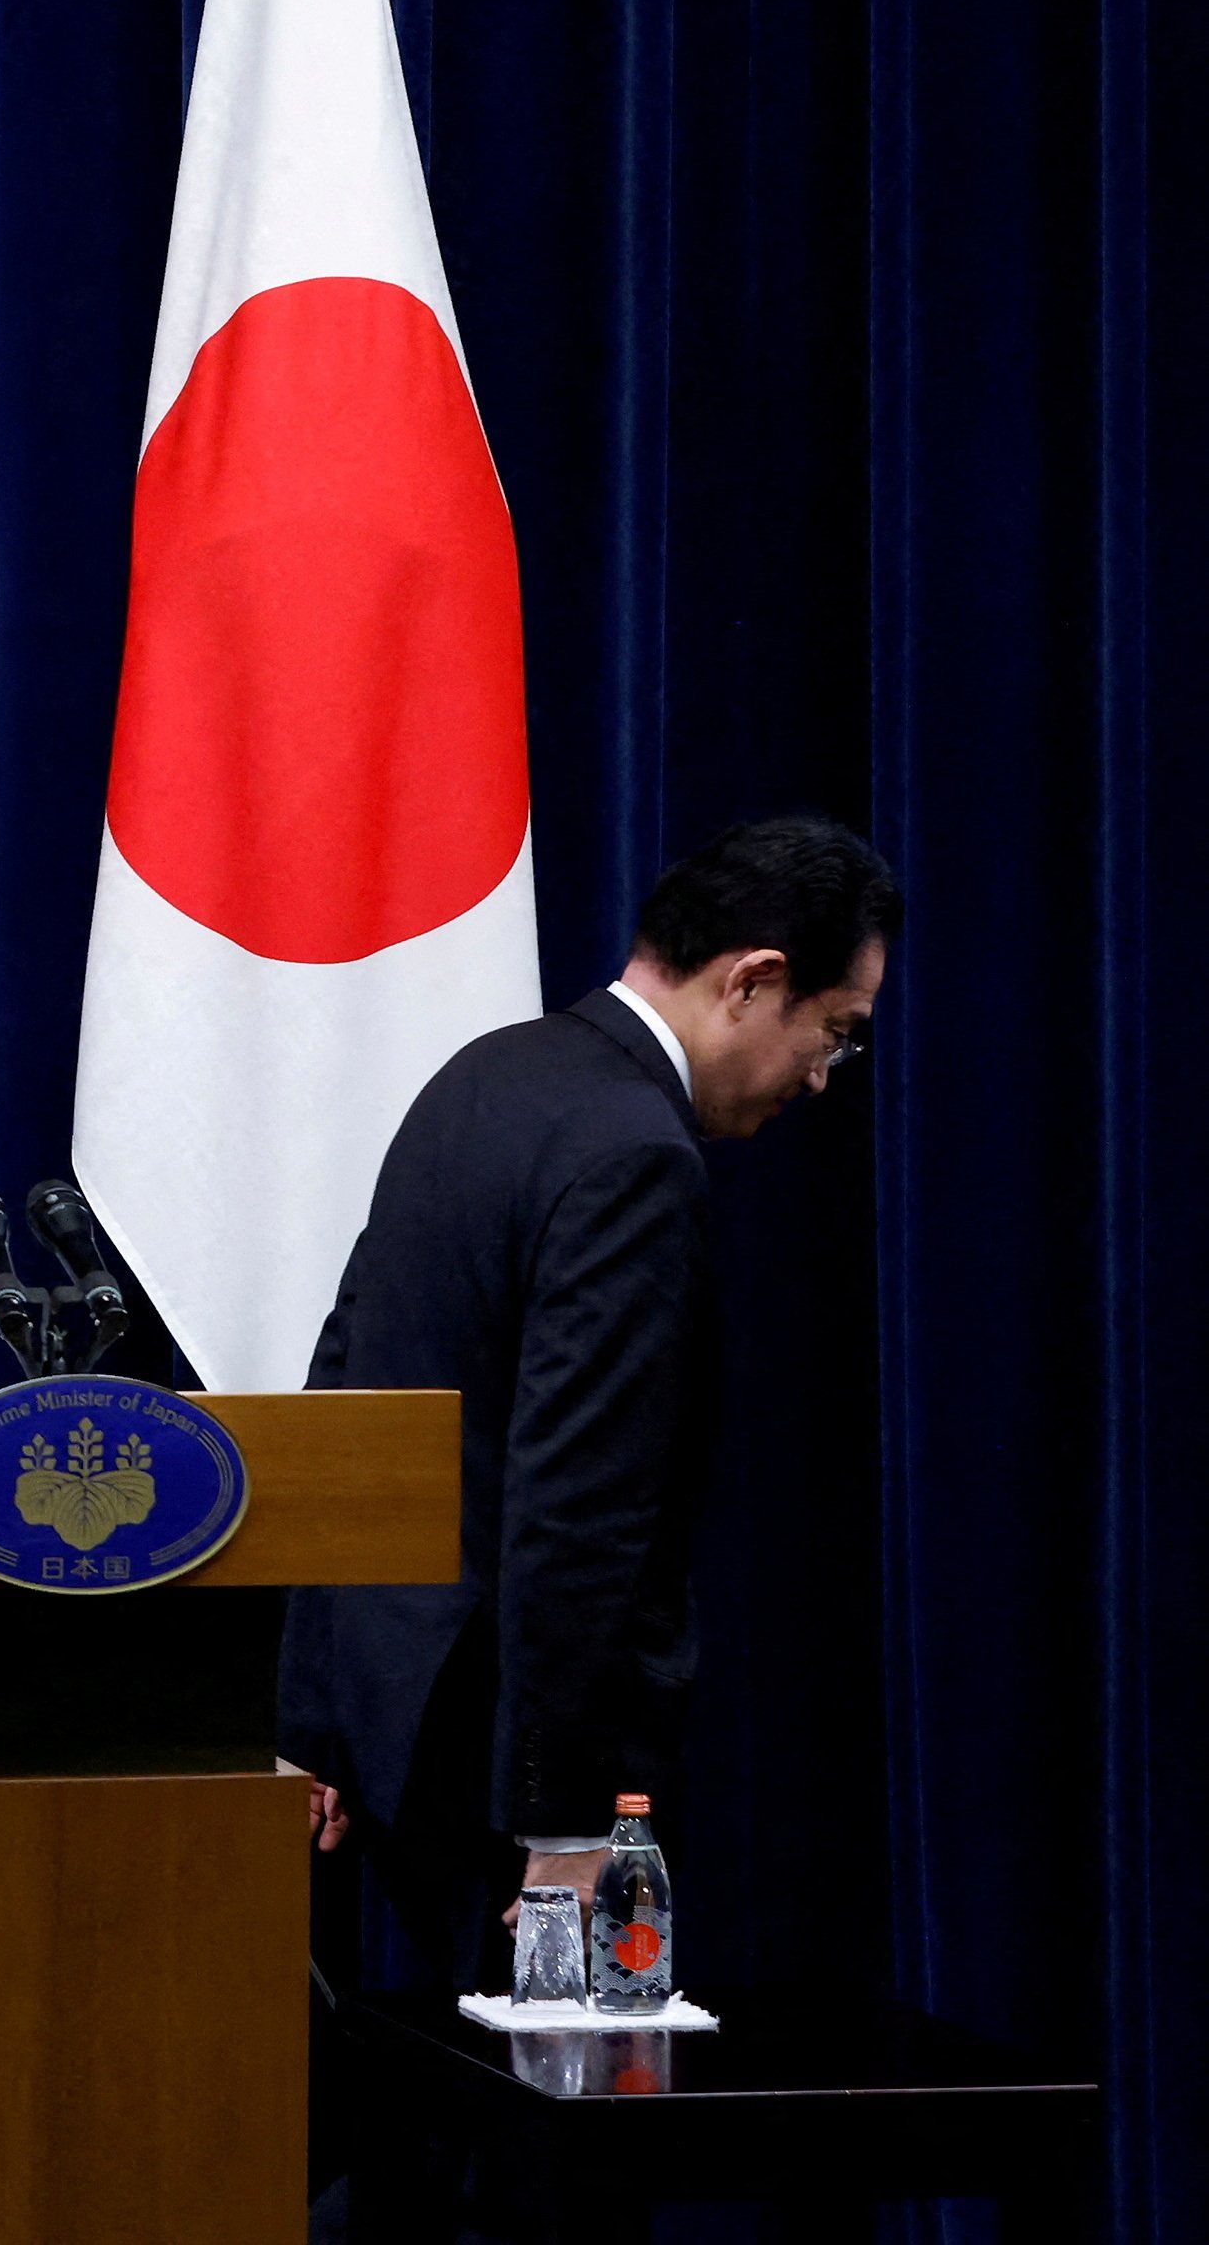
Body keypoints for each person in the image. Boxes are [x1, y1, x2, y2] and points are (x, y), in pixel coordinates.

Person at [280, 815, 896, 1999]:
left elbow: (342, 1396)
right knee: (530, 2161)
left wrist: (309, 1718)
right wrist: (567, 1825)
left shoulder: (482, 1077)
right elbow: (580, 1514)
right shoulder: (636, 1157)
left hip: (379, 1737)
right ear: (754, 979)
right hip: (503, 1773)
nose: (822, 1079)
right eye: (835, 1035)